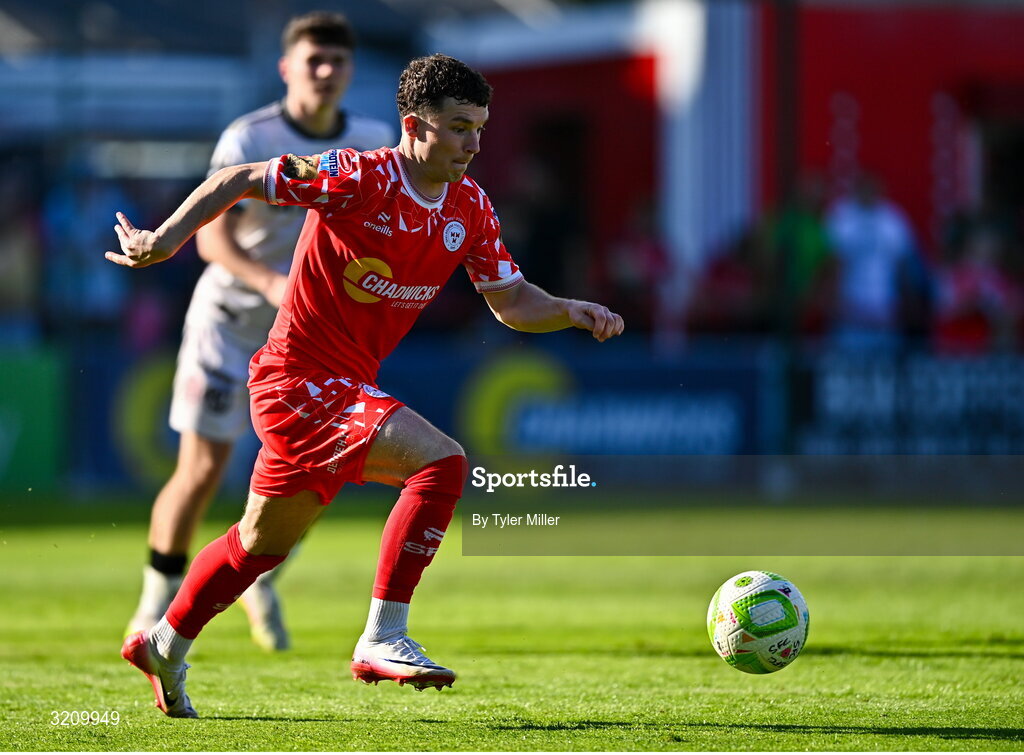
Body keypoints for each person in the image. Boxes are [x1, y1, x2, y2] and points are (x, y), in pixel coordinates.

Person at [108, 54, 624, 718]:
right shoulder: (358, 175)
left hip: (341, 386)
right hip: (296, 380)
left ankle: (163, 643)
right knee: (443, 462)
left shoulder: (468, 206)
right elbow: (239, 178)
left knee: (258, 545)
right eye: (460, 127)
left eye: (480, 129)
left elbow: (512, 300)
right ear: (415, 125)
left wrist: (570, 309)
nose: (473, 144)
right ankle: (384, 634)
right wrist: (166, 238)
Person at [124, 11, 394, 652]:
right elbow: (213, 239)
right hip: (231, 322)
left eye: (338, 63)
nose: (326, 73)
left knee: (321, 475)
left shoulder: (374, 137)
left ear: (351, 71)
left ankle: (258, 575)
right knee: (202, 469)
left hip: (312, 338)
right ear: (287, 68)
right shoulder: (249, 137)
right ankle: (152, 605)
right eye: (313, 61)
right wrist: (272, 284)